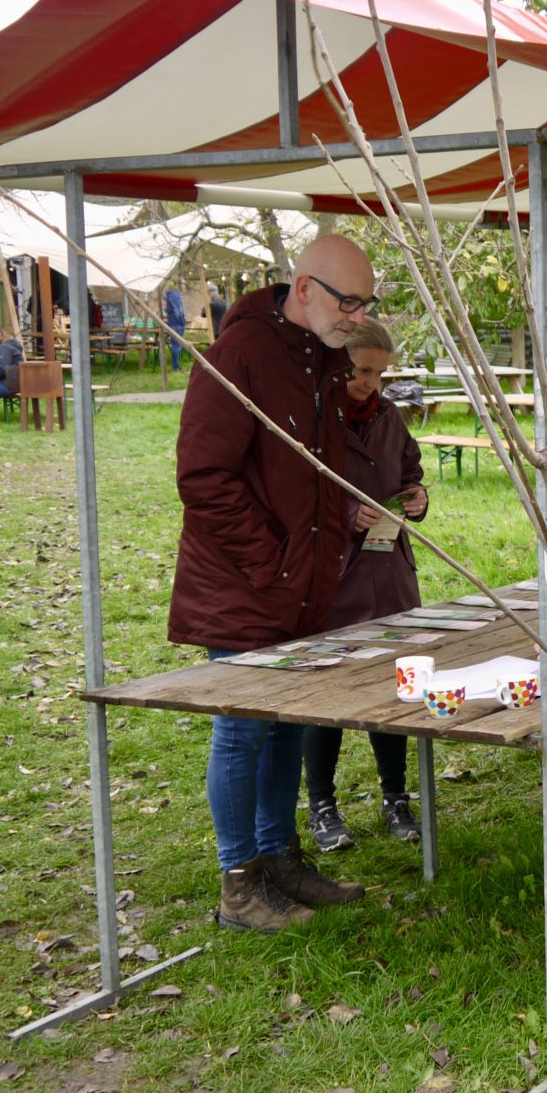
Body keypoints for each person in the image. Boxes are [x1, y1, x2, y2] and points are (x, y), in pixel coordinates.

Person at [169, 234, 379, 934]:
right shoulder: (239, 355)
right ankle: (239, 884)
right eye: (348, 301)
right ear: (305, 287)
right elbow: (204, 477)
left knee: (288, 725)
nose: (358, 316)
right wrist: (272, 562)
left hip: (301, 589)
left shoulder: (321, 360)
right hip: (243, 587)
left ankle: (280, 859)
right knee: (242, 731)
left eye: (365, 303)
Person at [303, 318, 429, 852]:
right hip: (334, 577)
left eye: (378, 374)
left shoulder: (388, 415)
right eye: (359, 371)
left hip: (389, 573)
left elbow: (409, 469)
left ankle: (396, 796)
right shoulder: (311, 418)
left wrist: (417, 496)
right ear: (337, 364)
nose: (369, 384)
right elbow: (293, 491)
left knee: (396, 688)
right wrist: (346, 512)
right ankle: (322, 805)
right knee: (328, 691)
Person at [164, 287, 186, 372]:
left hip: (175, 322)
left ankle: (176, 365)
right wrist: (181, 320)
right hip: (177, 323)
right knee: (176, 345)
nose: (184, 286)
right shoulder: (174, 295)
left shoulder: (171, 295)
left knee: (176, 345)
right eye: (183, 284)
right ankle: (175, 366)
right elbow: (178, 310)